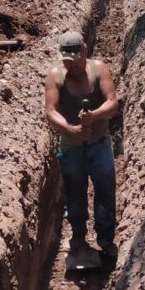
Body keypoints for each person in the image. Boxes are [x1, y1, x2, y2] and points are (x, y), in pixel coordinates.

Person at [44, 31, 119, 267]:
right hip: (71, 146)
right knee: (75, 193)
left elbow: (112, 103)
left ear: (85, 53)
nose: (72, 66)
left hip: (99, 143)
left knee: (105, 190)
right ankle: (78, 238)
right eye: (67, 61)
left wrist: (93, 116)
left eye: (76, 61)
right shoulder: (55, 76)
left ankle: (106, 239)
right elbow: (50, 111)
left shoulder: (99, 70)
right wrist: (71, 128)